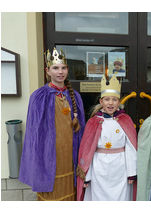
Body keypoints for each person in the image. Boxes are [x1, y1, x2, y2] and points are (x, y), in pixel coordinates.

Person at [19, 48, 85, 201]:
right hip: (49, 156)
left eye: (63, 68)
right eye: (55, 68)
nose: (60, 72)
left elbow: (81, 132)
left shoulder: (75, 97)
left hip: (70, 156)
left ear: (67, 70)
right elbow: (34, 133)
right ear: (47, 71)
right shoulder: (39, 96)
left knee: (70, 194)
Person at [76, 75, 137, 201]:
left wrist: (132, 173)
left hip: (120, 168)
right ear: (101, 101)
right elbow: (88, 151)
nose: (110, 103)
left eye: (114, 100)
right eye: (107, 99)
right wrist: (87, 176)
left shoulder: (126, 120)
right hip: (99, 168)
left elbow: (131, 148)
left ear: (119, 102)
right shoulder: (93, 122)